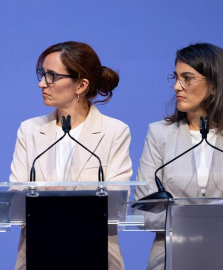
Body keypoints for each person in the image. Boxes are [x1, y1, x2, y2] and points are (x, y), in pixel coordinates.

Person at [134, 43, 223, 270]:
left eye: (187, 78)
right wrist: (206, 219)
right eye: (176, 77)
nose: (177, 86)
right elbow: (145, 214)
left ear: (215, 85)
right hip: (170, 259)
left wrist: (188, 216)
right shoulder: (159, 133)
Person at [9, 41, 133, 270]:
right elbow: (16, 199)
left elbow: (117, 203)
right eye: (41, 74)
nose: (41, 83)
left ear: (81, 85)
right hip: (38, 254)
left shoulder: (115, 132)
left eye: (51, 76)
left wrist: (58, 199)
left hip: (96, 255)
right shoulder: (29, 130)